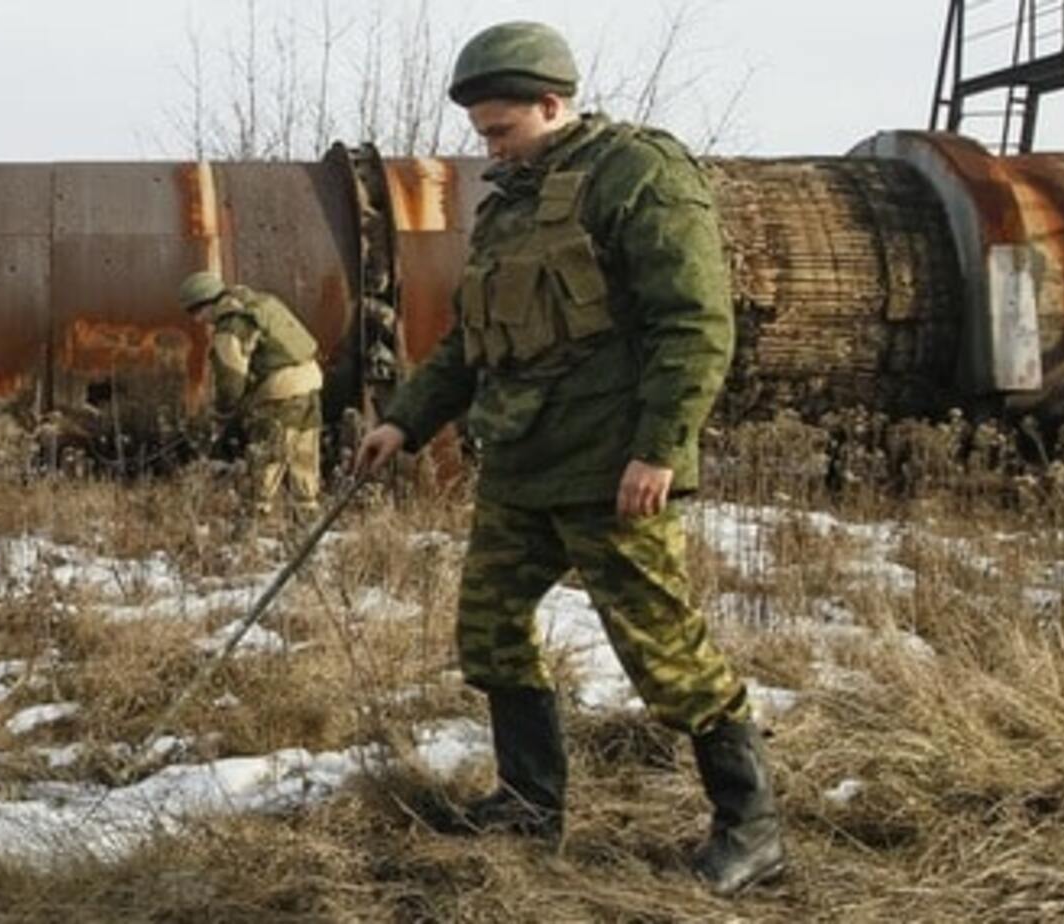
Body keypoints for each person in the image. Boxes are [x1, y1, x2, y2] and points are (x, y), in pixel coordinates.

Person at [351, 21, 785, 897]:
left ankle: (753, 828)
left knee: (663, 651)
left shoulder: (641, 175)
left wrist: (659, 447)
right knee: (490, 630)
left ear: (555, 104)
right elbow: (476, 340)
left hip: (611, 467)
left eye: (502, 130)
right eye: (481, 134)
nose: (489, 148)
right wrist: (404, 419)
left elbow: (695, 323)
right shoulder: (512, 201)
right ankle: (527, 804)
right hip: (522, 458)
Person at [178, 270, 324, 516]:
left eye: (195, 312)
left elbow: (231, 378)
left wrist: (223, 413)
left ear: (205, 303)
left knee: (266, 461)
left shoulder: (231, 324)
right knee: (304, 461)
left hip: (281, 393)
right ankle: (308, 523)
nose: (197, 320)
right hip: (310, 384)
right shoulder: (261, 302)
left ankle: (253, 525)